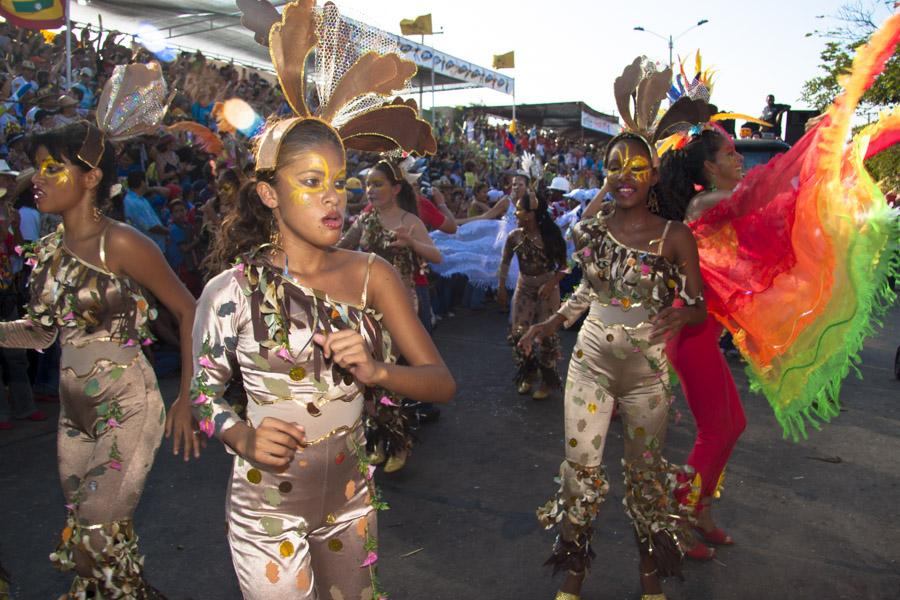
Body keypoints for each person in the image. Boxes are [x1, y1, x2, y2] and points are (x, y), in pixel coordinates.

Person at [193, 2, 454, 597]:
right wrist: (240, 436)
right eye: (310, 182)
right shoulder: (230, 292)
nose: (332, 197)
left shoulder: (373, 276)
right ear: (267, 193)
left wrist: (377, 368)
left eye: (338, 181)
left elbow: (441, 382)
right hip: (264, 514)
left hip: (349, 501)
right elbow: (201, 396)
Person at [0, 63, 199, 597]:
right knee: (97, 550)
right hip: (73, 415)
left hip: (127, 406)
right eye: (36, 168)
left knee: (94, 529)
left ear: (90, 177)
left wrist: (186, 397)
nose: (37, 178)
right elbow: (40, 335)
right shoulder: (46, 252)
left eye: (52, 168)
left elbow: (188, 308)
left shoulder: (124, 244)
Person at [520, 59, 706, 600]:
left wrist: (684, 314)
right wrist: (551, 323)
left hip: (648, 376)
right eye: (613, 167)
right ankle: (573, 580)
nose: (623, 178)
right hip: (590, 367)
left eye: (635, 168)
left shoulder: (676, 236)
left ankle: (650, 583)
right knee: (581, 473)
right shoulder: (597, 231)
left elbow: (699, 305)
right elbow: (588, 291)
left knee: (646, 482)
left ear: (653, 176)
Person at [656, 125, 748, 560]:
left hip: (703, 332)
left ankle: (701, 509)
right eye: (730, 154)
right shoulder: (705, 202)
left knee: (734, 424)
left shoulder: (719, 200)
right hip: (690, 333)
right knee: (715, 430)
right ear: (709, 167)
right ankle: (676, 519)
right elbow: (757, 196)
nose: (739, 160)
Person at [337, 160, 443, 472]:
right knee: (366, 370)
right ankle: (378, 437)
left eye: (377, 184)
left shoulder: (410, 220)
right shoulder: (366, 218)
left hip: (401, 305)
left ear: (396, 189)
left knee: (388, 371)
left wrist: (412, 242)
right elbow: (343, 246)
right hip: (367, 305)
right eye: (368, 184)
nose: (370, 190)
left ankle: (398, 440)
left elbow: (437, 255)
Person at [497, 190, 567, 400]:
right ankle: (528, 372)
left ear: (530, 214)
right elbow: (505, 262)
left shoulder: (551, 237)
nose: (515, 212)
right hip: (524, 287)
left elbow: (565, 267)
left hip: (547, 289)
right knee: (519, 332)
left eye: (519, 209)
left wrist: (551, 283)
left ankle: (547, 380)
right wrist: (501, 288)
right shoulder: (514, 236)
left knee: (546, 335)